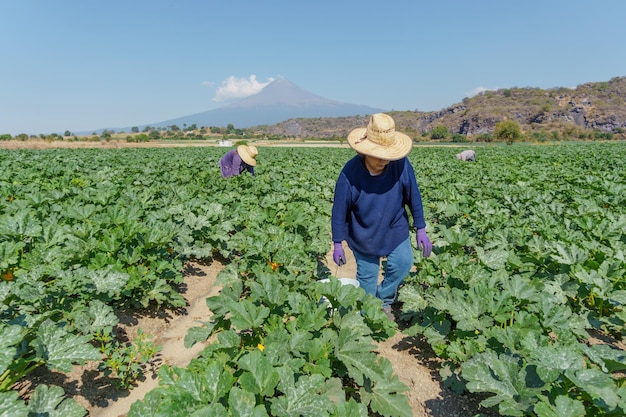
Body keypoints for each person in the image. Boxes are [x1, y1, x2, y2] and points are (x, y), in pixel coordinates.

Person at [331, 113, 432, 321]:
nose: (385, 161)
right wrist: (337, 242)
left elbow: (414, 195)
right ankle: (368, 312)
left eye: (388, 156)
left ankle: (384, 299)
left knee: (403, 263)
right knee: (367, 278)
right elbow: (339, 210)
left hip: (395, 227)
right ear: (365, 151)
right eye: (379, 156)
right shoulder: (349, 174)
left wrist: (420, 228)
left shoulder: (401, 165)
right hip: (363, 233)